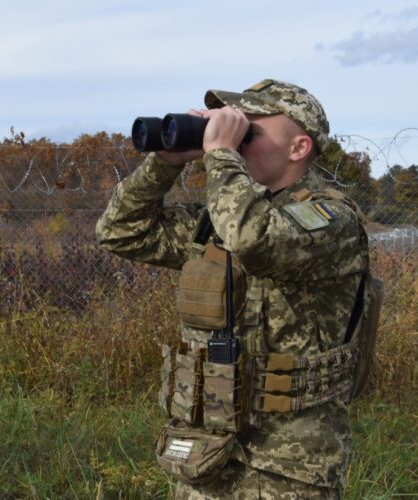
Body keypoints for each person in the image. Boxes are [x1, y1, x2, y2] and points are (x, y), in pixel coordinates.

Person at [96, 80, 371, 498]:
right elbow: (118, 231)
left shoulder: (330, 219)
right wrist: (165, 164)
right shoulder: (215, 221)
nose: (235, 138)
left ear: (299, 148)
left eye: (249, 131)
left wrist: (222, 154)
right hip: (206, 449)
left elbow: (255, 239)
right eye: (232, 127)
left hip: (288, 465)